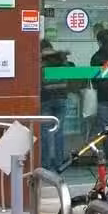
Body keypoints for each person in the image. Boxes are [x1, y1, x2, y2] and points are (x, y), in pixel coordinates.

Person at [40, 40, 72, 171]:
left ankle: (46, 164)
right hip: (61, 99)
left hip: (46, 99)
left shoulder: (41, 62)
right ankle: (59, 163)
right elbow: (71, 74)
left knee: (45, 132)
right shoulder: (62, 61)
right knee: (59, 132)